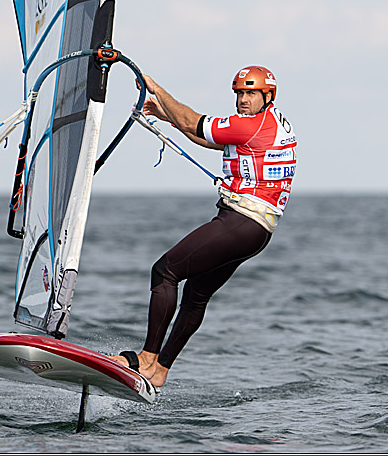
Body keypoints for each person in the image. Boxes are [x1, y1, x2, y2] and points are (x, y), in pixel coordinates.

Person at [110, 66, 297, 388]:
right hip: (257, 231)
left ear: (268, 96)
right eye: (239, 93)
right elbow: (208, 139)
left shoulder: (252, 125)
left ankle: (147, 357)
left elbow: (190, 121)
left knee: (165, 272)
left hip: (241, 222)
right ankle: (160, 371)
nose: (242, 99)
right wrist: (168, 117)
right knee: (196, 294)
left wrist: (157, 90)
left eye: (250, 93)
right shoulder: (269, 122)